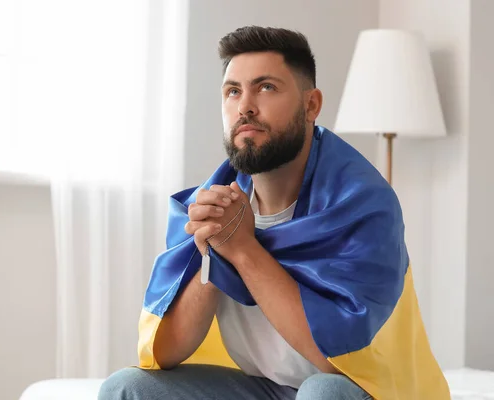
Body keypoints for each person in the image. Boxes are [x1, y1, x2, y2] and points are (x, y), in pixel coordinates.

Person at [99, 26, 450, 400]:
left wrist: (243, 249)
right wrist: (214, 248)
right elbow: (167, 352)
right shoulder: (213, 203)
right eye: (233, 91)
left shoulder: (362, 204)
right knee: (127, 388)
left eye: (266, 87)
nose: (245, 106)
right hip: (265, 389)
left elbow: (341, 358)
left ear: (311, 105)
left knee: (323, 392)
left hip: (360, 390)